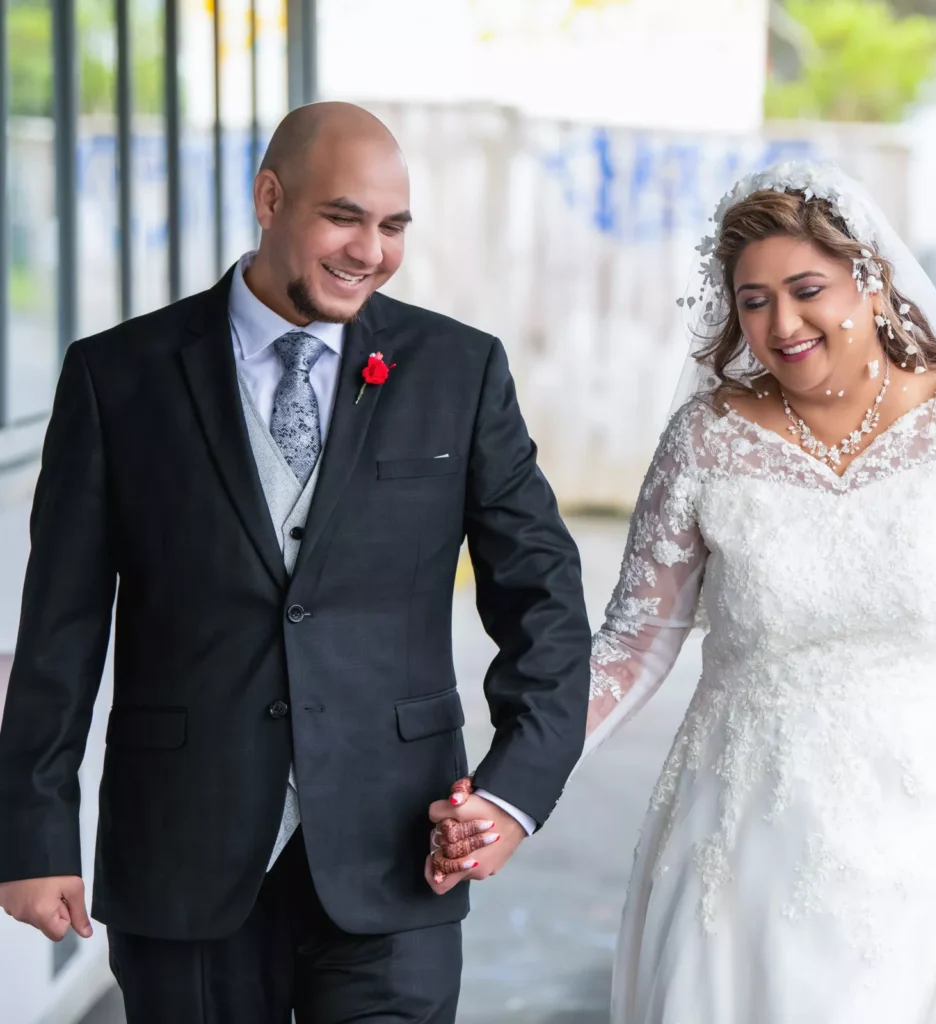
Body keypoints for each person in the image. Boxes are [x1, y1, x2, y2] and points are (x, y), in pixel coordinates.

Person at [431, 161, 936, 1021]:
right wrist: (509, 793)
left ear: (871, 278)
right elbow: (632, 645)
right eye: (753, 301)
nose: (782, 324)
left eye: (807, 288)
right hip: (748, 843)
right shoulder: (707, 438)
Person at [0, 101, 591, 1023]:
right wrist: (33, 833)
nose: (370, 250)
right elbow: (59, 630)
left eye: (393, 226)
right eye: (343, 217)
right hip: (183, 854)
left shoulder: (457, 370)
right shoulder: (119, 377)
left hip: (401, 856)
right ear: (269, 197)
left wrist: (512, 794)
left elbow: (544, 598)